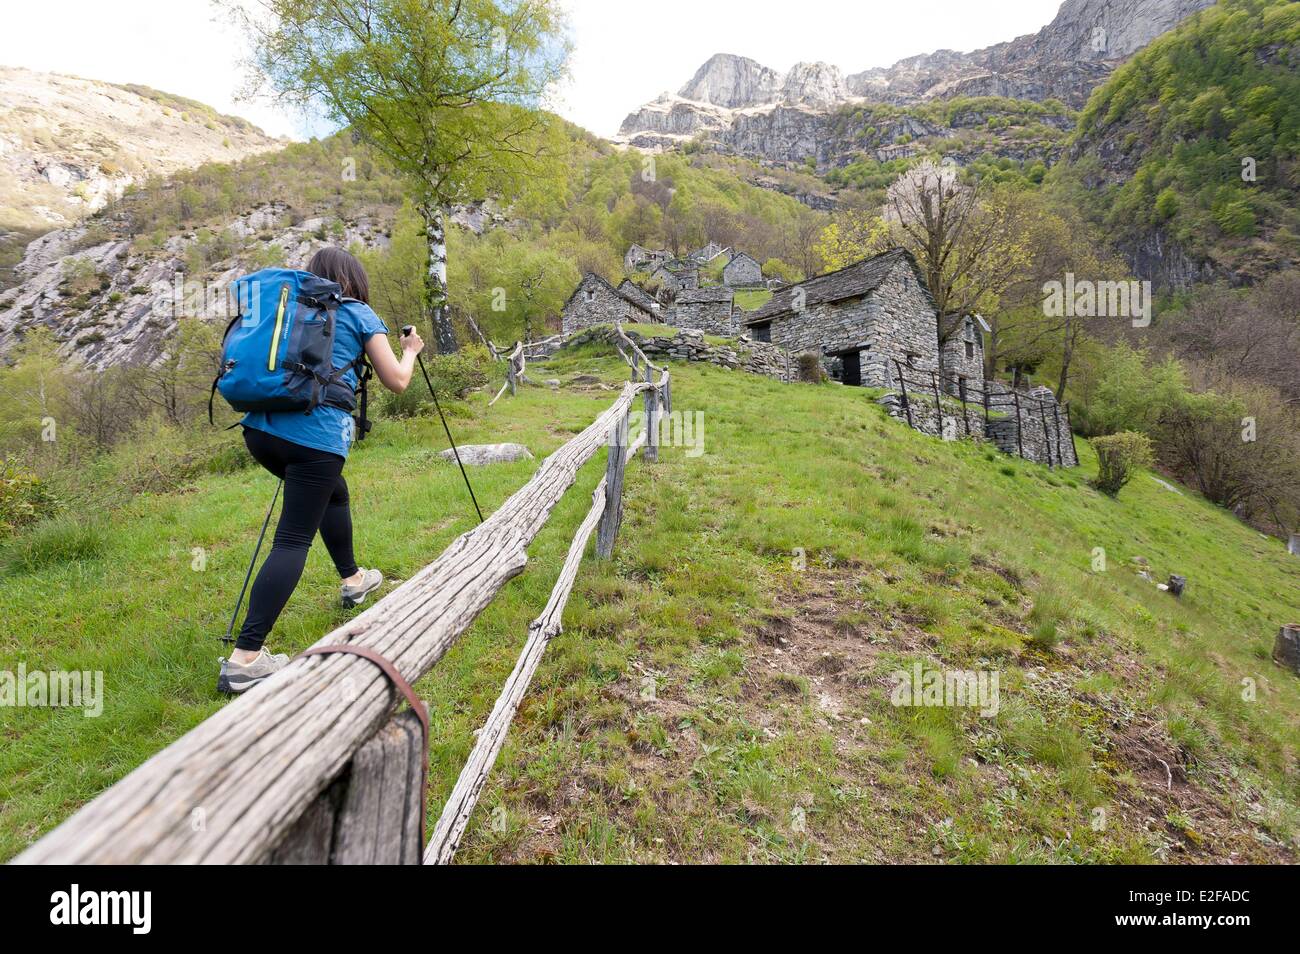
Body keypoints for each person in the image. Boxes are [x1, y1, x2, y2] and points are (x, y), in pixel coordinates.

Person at [217, 247, 424, 694]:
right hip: (315, 439)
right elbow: (398, 381)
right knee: (293, 539)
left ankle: (353, 580)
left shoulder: (284, 312)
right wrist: (410, 350)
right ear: (352, 278)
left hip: (259, 432)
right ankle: (244, 660)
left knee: (334, 493)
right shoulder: (356, 312)